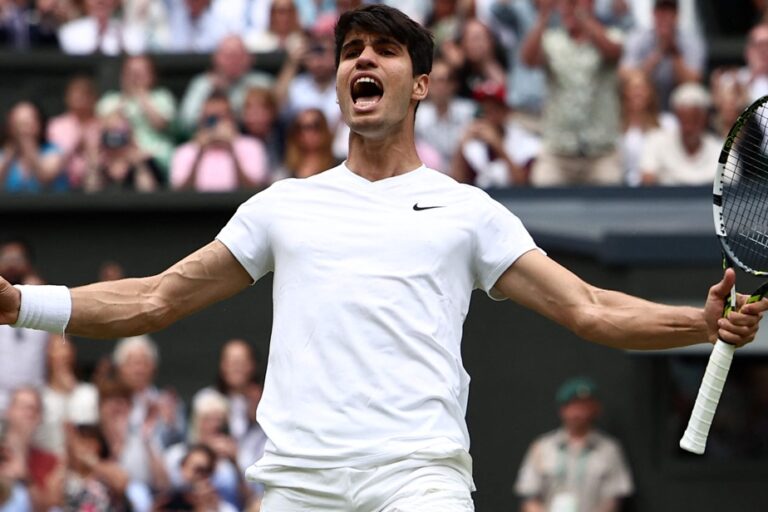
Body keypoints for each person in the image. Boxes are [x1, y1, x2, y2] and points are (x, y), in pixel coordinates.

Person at [1, 5, 767, 510]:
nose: (361, 60)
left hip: (418, 480)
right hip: (299, 484)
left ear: (422, 83)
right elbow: (154, 301)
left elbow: (589, 309)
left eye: (385, 50)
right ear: (339, 83)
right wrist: (20, 305)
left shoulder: (469, 210)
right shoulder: (282, 206)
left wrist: (696, 323)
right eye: (350, 51)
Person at [521, 0, 624, 186]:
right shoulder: (552, 40)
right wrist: (543, 17)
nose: (569, 9)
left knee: (612, 202)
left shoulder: (611, 34)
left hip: (601, 153)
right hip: (558, 152)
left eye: (575, 3)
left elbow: (613, 52)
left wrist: (585, 20)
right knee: (541, 193)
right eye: (567, 4)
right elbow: (528, 60)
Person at [515, 377, 634, 512]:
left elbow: (613, 499)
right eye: (575, 406)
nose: (581, 413)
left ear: (596, 409)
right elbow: (529, 496)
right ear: (563, 409)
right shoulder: (542, 447)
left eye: (586, 406)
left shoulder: (609, 449)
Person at [171, 92, 270, 191]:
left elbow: (255, 190)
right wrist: (199, 152)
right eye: (210, 119)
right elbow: (180, 193)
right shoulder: (184, 151)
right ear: (201, 120)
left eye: (221, 117)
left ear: (232, 119)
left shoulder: (252, 147)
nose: (216, 124)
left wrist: (232, 150)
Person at [96, 55, 177, 174]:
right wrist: (125, 100)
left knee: (139, 164)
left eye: (141, 72)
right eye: (131, 72)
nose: (135, 77)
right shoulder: (110, 100)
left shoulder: (162, 97)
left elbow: (161, 125)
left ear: (152, 75)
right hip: (117, 155)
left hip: (153, 157)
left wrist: (142, 96)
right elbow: (100, 129)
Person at [178, 35, 275, 134]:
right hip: (212, 139)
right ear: (216, 58)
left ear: (249, 58)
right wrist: (214, 92)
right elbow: (186, 121)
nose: (233, 61)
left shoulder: (262, 82)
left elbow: (280, 111)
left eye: (238, 55)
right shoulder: (203, 84)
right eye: (228, 56)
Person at [620, 0, 705, 111]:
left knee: (690, 93)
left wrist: (674, 52)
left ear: (677, 15)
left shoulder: (691, 41)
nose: (665, 17)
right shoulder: (638, 37)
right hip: (647, 105)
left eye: (669, 12)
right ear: (653, 14)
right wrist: (659, 52)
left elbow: (693, 81)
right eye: (661, 11)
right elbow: (624, 75)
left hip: (676, 106)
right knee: (635, 88)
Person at [639, 82, 721, 186]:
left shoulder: (723, 152)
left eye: (694, 120)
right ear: (676, 117)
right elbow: (646, 181)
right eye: (684, 120)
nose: (689, 127)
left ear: (705, 119)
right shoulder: (655, 142)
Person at [0, 238, 47, 414]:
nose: (12, 265)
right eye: (6, 258)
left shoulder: (44, 298)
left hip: (35, 398)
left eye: (17, 259)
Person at [83, 111, 165, 193]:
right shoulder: (99, 164)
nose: (115, 137)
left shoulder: (145, 162)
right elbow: (90, 195)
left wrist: (140, 166)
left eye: (120, 132)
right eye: (110, 132)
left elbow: (149, 195)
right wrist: (94, 168)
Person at [0, 101, 66, 193]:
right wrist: (10, 154)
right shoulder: (4, 153)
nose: (23, 129)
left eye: (28, 123)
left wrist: (28, 145)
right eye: (18, 123)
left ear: (39, 124)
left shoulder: (53, 151)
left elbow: (45, 177)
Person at [47, 75, 101, 188]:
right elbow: (51, 158)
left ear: (93, 98)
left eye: (84, 94)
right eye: (75, 93)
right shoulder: (56, 126)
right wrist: (74, 146)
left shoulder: (102, 125)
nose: (79, 98)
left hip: (98, 184)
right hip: (62, 185)